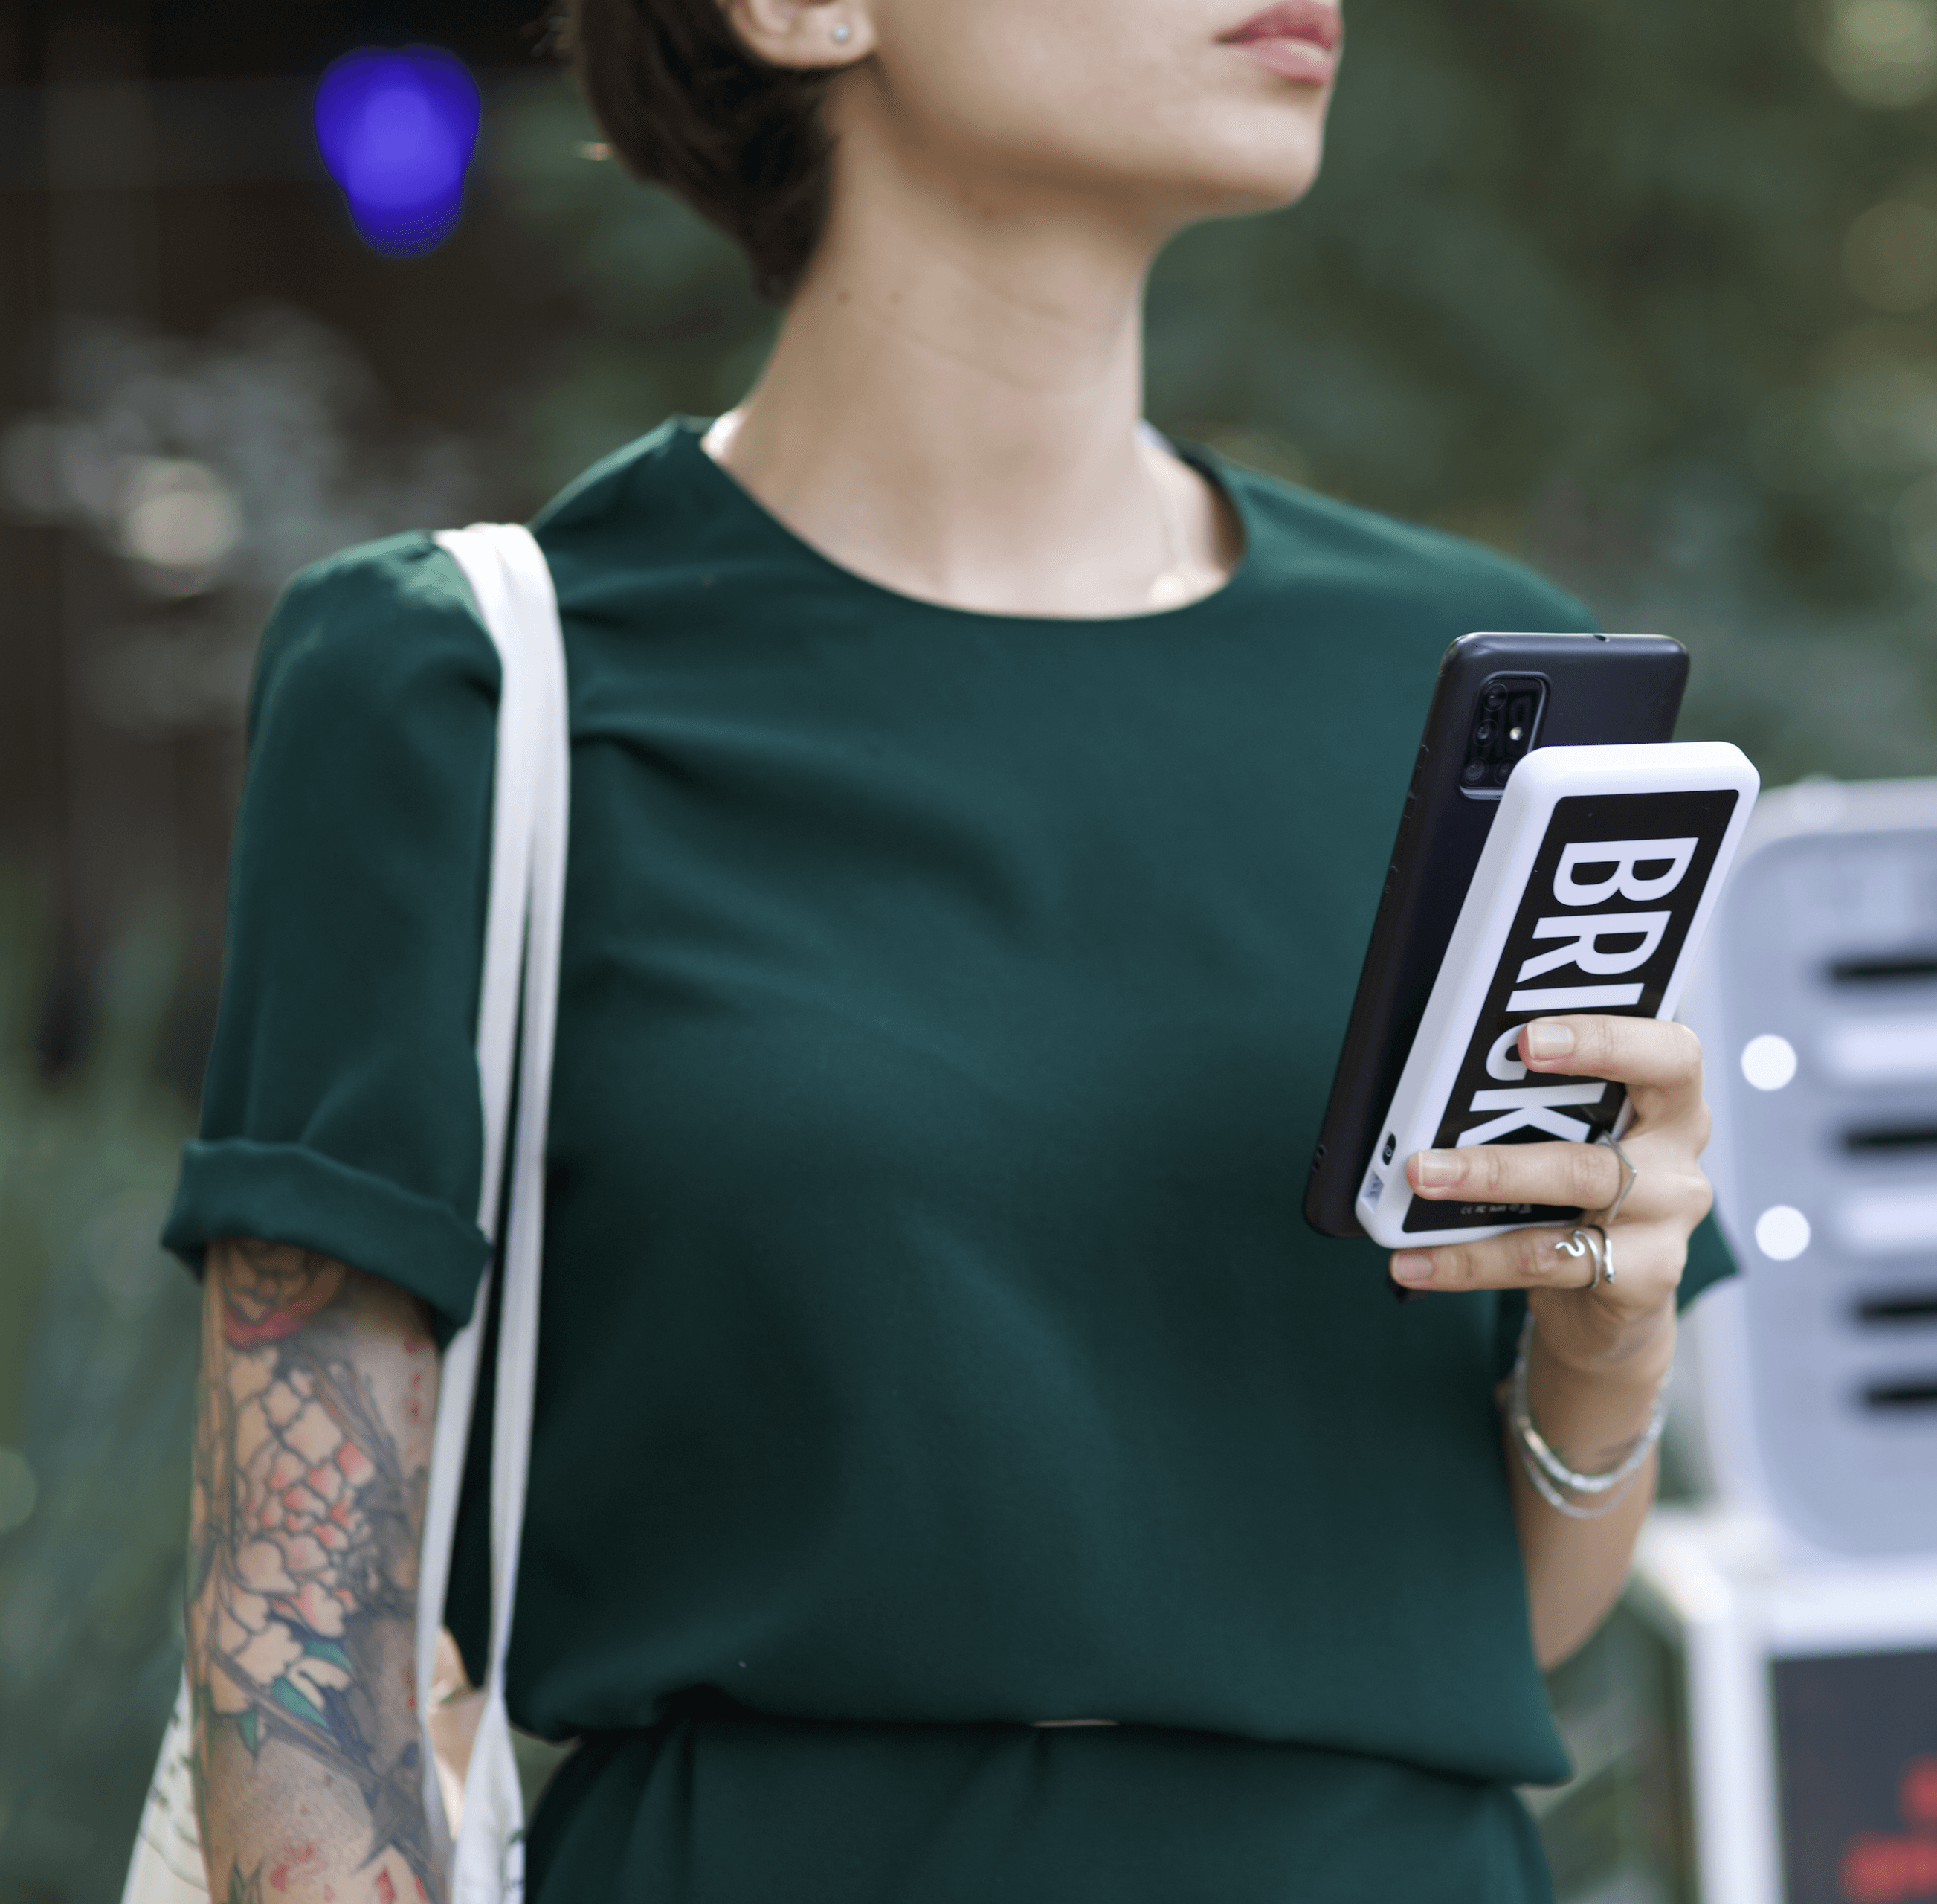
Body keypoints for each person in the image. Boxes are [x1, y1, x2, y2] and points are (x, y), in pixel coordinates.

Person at [165, 0, 1735, 1897]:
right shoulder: (464, 684)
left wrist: (1606, 1333)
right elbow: (296, 1662)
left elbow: (1511, 1622)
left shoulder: (1473, 677)